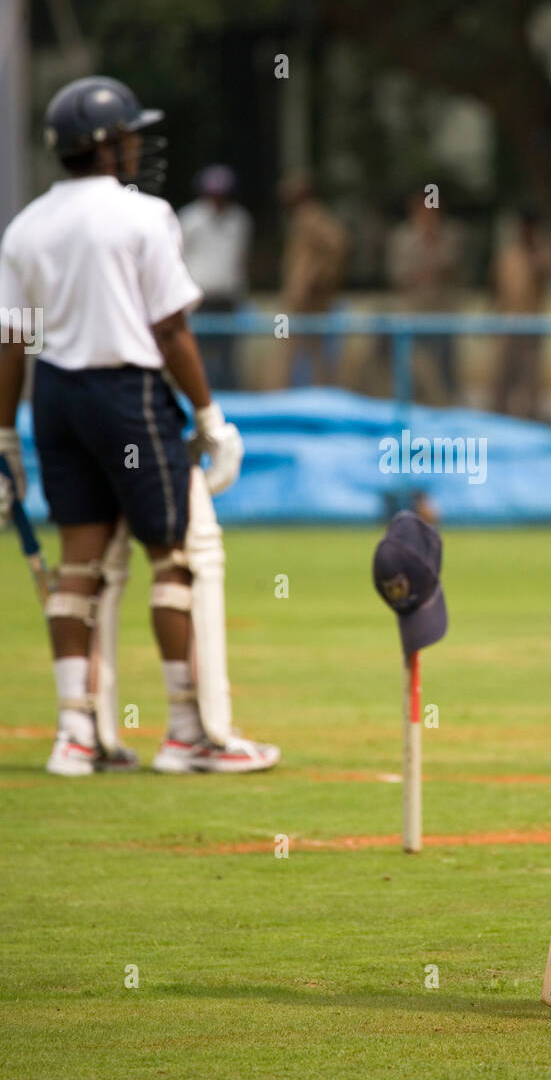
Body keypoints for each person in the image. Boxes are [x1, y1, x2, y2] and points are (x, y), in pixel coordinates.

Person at [0, 75, 279, 776]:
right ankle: (186, 732)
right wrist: (211, 416)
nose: (136, 147)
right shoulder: (143, 214)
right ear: (106, 143)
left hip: (55, 397)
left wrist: (5, 436)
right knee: (173, 559)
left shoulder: (25, 225)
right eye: (129, 135)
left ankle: (75, 735)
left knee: (77, 567)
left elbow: (10, 341)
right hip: (126, 392)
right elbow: (171, 328)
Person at [177, 165, 252, 390]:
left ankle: (229, 398)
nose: (218, 200)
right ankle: (199, 395)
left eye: (222, 195)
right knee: (196, 353)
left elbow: (240, 257)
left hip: (228, 297)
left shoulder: (240, 219)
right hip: (199, 298)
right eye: (213, 195)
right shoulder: (189, 219)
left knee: (227, 355)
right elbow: (177, 256)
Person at [386, 192, 464, 404]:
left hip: (441, 315)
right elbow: (399, 275)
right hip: (412, 316)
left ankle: (443, 407)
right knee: (415, 369)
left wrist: (435, 247)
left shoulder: (449, 236)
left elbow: (454, 269)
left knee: (445, 368)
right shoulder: (402, 237)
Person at [278, 172, 350, 387]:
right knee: (298, 350)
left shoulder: (310, 215)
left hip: (309, 301)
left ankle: (294, 397)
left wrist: (318, 278)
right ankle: (298, 395)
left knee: (299, 351)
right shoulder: (302, 217)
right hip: (300, 298)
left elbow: (340, 243)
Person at [491, 205, 551, 418]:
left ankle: (531, 421)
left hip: (532, 328)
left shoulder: (543, 255)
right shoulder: (508, 255)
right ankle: (496, 419)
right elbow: (500, 290)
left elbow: (548, 270)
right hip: (507, 327)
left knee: (530, 382)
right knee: (502, 380)